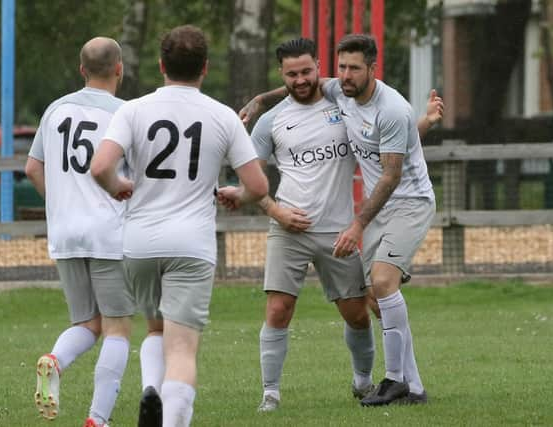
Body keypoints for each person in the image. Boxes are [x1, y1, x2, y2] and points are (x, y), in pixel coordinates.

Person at [239, 35, 443, 407]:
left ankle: (393, 381)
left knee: (378, 289)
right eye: (342, 67)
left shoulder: (389, 107)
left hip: (402, 204)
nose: (345, 75)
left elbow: (392, 173)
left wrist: (357, 225)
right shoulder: (340, 91)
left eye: (354, 68)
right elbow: (300, 84)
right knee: (375, 298)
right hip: (359, 213)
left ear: (372, 68)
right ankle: (410, 387)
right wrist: (259, 100)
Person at [90, 25, 268, 427]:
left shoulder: (132, 110)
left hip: (139, 242)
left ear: (161, 65)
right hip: (191, 243)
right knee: (183, 348)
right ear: (205, 68)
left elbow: (100, 167)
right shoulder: (222, 115)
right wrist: (237, 196)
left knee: (155, 328)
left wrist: (119, 186)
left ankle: (151, 387)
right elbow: (258, 186)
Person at [26, 37, 164, 427]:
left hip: (66, 234)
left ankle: (56, 359)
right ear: (119, 68)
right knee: (118, 327)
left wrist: (63, 203)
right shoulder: (127, 113)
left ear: (81, 69)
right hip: (109, 233)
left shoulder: (55, 110)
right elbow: (142, 177)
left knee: (87, 323)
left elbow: (32, 169)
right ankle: (97, 419)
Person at [243, 38, 376, 412]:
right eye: (291, 74)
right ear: (281, 74)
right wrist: (276, 211)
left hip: (339, 232)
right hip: (288, 228)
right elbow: (251, 181)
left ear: (319, 66)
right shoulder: (271, 122)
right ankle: (270, 393)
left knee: (356, 313)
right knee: (278, 310)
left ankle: (363, 382)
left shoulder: (345, 103)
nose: (300, 80)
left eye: (306, 71)